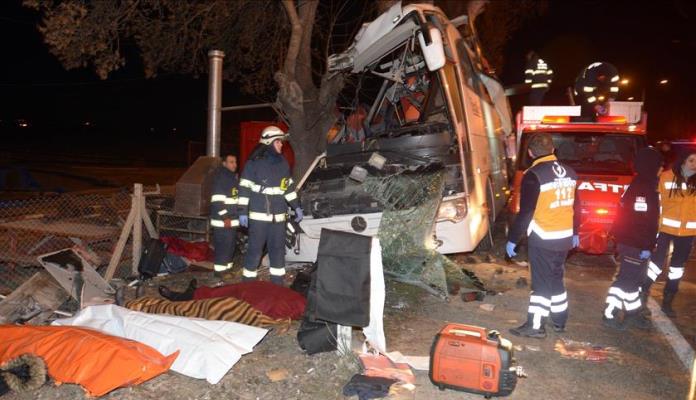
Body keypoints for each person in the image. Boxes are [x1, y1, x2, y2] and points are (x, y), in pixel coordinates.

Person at [506, 133, 578, 338]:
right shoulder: (570, 172)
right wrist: (576, 232)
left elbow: (526, 212)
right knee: (556, 278)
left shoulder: (534, 174)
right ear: (553, 149)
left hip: (544, 237)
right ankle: (560, 320)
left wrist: (513, 239)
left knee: (541, 285)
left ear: (530, 153)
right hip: (564, 237)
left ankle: (535, 327)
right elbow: (577, 205)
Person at [602, 147, 662, 330]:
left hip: (637, 243)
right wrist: (645, 244)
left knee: (634, 281)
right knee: (626, 281)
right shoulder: (643, 188)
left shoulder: (645, 185)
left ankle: (632, 312)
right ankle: (609, 313)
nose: (661, 168)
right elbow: (640, 221)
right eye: (659, 165)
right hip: (635, 243)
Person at [238, 126, 303, 285]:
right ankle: (248, 283)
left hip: (278, 219)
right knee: (254, 251)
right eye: (279, 142)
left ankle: (277, 284)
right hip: (259, 218)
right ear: (269, 141)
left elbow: (288, 189)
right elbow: (244, 188)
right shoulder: (254, 164)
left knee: (278, 252)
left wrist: (297, 206)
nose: (282, 145)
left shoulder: (283, 164)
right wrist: (242, 212)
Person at [641, 149, 696, 317]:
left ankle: (668, 300)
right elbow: (655, 203)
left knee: (677, 269)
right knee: (655, 265)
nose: (694, 164)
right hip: (664, 229)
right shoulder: (665, 177)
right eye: (691, 160)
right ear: (682, 161)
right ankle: (642, 294)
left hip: (687, 233)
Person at [209, 153, 239, 274]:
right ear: (224, 164)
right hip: (223, 222)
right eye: (231, 162)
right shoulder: (222, 177)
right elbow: (217, 200)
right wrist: (225, 217)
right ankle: (219, 273)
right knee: (223, 248)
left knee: (230, 247)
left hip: (231, 220)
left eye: (235, 162)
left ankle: (227, 269)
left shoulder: (232, 178)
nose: (234, 165)